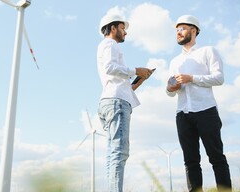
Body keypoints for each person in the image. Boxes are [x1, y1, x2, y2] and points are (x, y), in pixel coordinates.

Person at [166, 15, 232, 192]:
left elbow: (219, 78)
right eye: (176, 30)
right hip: (182, 114)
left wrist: (191, 78)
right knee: (190, 161)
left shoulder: (208, 51)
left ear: (193, 30)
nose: (178, 33)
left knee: (216, 157)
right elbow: (170, 92)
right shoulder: (174, 61)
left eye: (182, 29)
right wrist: (171, 88)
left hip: (206, 111)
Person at [97, 14, 153, 192]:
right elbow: (110, 68)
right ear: (113, 28)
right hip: (116, 103)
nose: (125, 32)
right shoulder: (110, 44)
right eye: (123, 28)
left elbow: (120, 83)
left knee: (114, 153)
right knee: (119, 153)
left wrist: (140, 79)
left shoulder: (108, 46)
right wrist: (135, 70)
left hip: (112, 100)